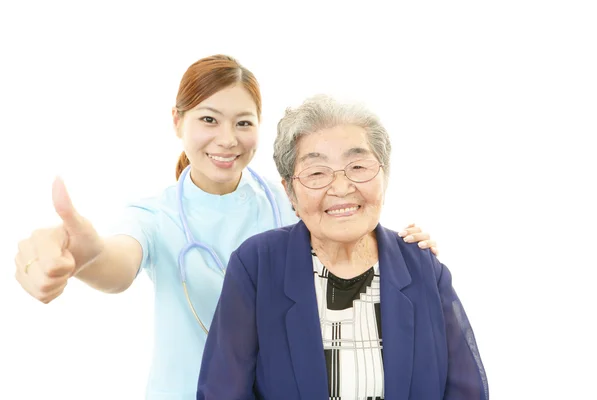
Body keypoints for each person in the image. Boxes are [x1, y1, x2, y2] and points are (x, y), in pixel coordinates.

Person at [13, 55, 439, 400]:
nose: (227, 139)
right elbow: (117, 264)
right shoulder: (155, 215)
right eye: (209, 120)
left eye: (243, 122)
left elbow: (349, 229)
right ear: (177, 121)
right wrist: (85, 258)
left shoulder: (289, 202)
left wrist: (408, 249)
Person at [197, 94, 488, 400]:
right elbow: (222, 391)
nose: (341, 187)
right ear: (290, 192)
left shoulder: (422, 267)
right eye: (317, 173)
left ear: (384, 176)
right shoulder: (256, 265)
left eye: (358, 166)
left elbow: (467, 390)